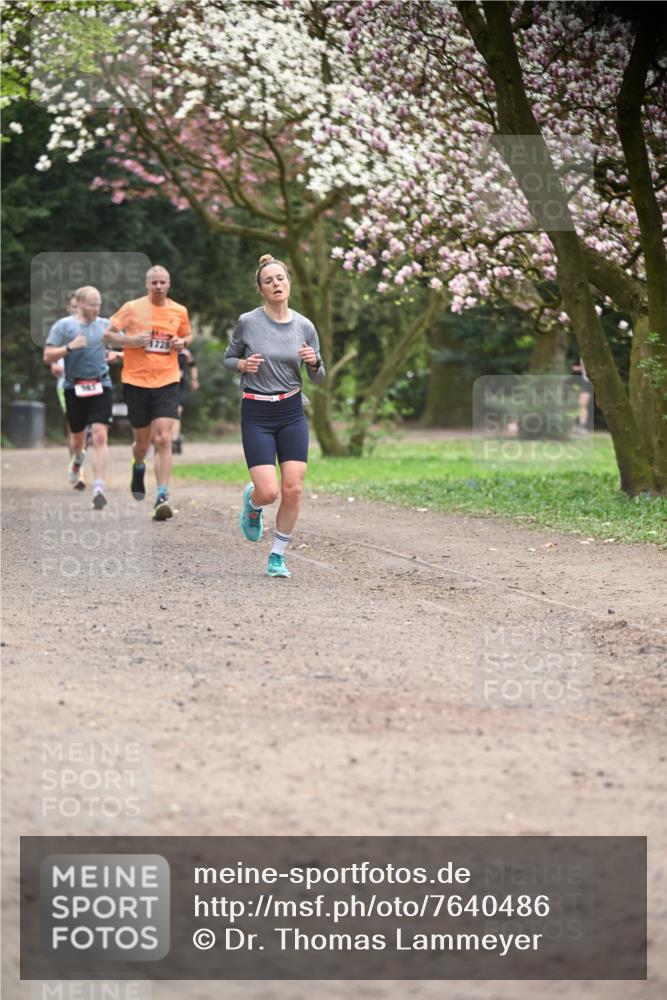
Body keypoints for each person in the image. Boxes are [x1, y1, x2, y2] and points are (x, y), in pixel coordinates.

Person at [224, 253, 325, 578]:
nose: (276, 284)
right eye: (269, 281)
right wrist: (242, 365)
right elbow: (229, 358)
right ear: (261, 289)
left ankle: (277, 556)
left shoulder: (304, 326)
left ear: (288, 283)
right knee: (268, 492)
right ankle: (253, 504)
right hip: (257, 411)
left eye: (280, 278)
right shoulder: (248, 322)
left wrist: (314, 362)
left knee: (293, 488)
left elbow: (319, 376)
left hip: (291, 410)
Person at [104, 265, 192, 521]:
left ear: (169, 283)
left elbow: (187, 335)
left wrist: (182, 343)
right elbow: (106, 335)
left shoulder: (179, 311)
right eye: (154, 282)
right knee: (142, 444)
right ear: (147, 284)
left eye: (163, 282)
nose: (158, 286)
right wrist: (131, 342)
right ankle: (139, 464)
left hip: (167, 381)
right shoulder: (132, 308)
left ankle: (162, 495)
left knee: (164, 438)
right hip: (136, 382)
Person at [43, 286, 113, 509]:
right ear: (80, 304)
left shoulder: (105, 325)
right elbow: (47, 355)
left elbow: (115, 347)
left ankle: (99, 488)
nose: (97, 308)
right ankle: (77, 461)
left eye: (99, 304)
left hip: (101, 384)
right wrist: (70, 347)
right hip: (74, 387)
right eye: (93, 304)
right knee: (77, 439)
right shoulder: (63, 326)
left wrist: (118, 354)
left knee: (100, 435)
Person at [171, 347, 199, 454]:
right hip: (164, 383)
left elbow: (193, 366)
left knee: (178, 410)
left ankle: (175, 440)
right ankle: (167, 438)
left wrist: (194, 379)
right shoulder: (163, 348)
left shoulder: (185, 352)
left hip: (179, 384)